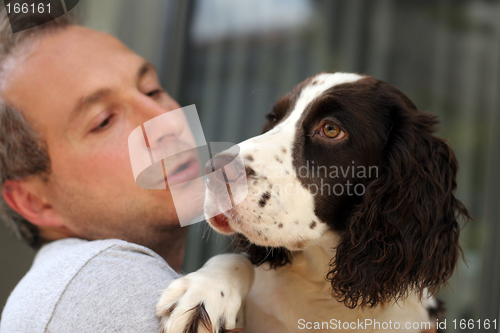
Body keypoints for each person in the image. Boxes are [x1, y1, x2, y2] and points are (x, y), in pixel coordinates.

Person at [0, 6, 200, 332]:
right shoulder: (100, 278)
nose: (164, 122)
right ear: (33, 200)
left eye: (152, 90)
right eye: (104, 121)